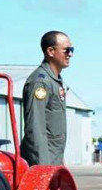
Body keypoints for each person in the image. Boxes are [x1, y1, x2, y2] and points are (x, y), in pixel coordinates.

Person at [21, 30, 72, 166]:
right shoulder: (41, 82)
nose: (70, 54)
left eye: (72, 50)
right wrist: (43, 167)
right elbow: (35, 127)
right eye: (66, 50)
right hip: (43, 162)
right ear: (50, 51)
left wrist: (60, 160)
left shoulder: (54, 80)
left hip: (54, 159)